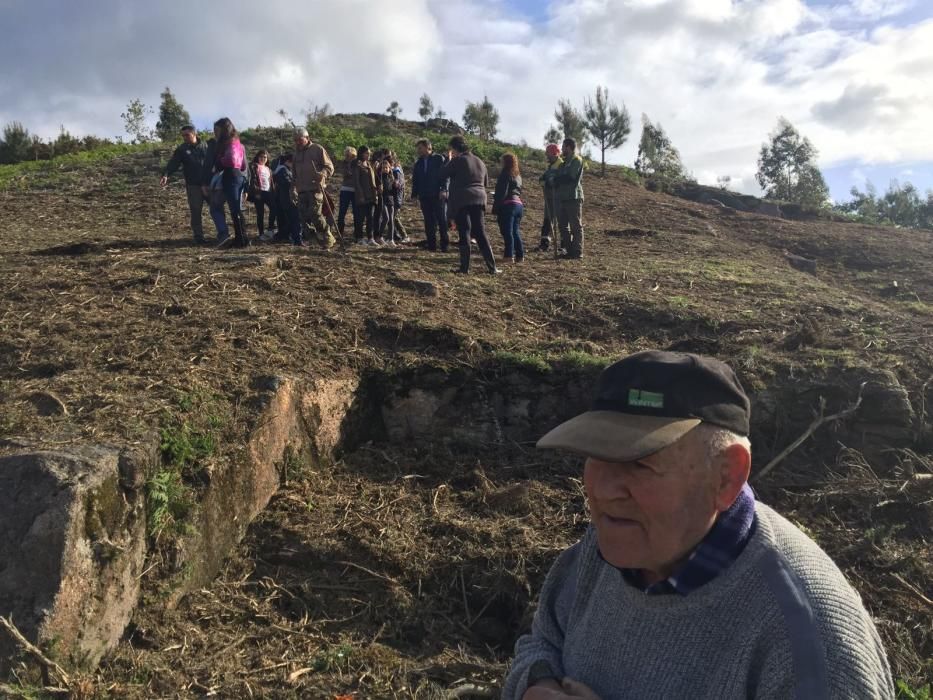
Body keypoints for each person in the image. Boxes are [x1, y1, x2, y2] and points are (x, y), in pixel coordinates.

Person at [503, 350, 895, 700]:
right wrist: (537, 684)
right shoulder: (609, 544)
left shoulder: (808, 644)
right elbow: (543, 641)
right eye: (596, 455)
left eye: (640, 462)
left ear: (726, 476)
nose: (602, 491)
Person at [439, 136, 498, 274]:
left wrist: (448, 160)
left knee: (464, 231)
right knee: (480, 232)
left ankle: (464, 268)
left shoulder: (458, 160)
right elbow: (486, 183)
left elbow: (442, 174)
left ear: (454, 148)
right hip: (479, 198)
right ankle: (492, 267)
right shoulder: (480, 161)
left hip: (463, 199)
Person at [202, 117, 248, 249]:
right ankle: (241, 238)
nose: (215, 132)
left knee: (234, 209)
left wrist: (218, 164)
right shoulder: (238, 143)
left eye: (216, 130)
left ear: (224, 129)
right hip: (238, 175)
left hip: (230, 175)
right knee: (235, 209)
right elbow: (243, 165)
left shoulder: (229, 143)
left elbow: (231, 160)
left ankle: (241, 239)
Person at [160, 125, 208, 244]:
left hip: (208, 184)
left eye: (187, 135)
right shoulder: (182, 150)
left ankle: (222, 234)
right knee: (196, 211)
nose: (185, 138)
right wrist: (166, 174)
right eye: (183, 136)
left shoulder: (206, 146)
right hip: (193, 185)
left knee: (216, 208)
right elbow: (174, 163)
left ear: (194, 134)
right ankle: (199, 237)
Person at [292, 127, 335, 249]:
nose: (298, 142)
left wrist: (322, 174)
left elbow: (329, 167)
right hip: (301, 190)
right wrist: (293, 188)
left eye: (300, 140)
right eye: (295, 140)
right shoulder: (295, 155)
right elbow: (294, 174)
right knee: (303, 217)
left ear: (307, 138)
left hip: (315, 188)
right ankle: (315, 240)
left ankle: (328, 238)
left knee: (315, 214)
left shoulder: (317, 149)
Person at [411, 138, 450, 252]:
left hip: (438, 194)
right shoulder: (418, 163)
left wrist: (444, 189)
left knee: (442, 220)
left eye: (420, 148)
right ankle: (431, 245)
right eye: (417, 148)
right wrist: (414, 195)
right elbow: (416, 180)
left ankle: (444, 245)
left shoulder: (438, 159)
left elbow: (445, 175)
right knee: (428, 221)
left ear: (428, 147)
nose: (418, 150)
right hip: (424, 195)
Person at [552, 138, 585, 259]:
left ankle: (577, 252)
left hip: (573, 196)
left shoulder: (576, 160)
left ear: (569, 147)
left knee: (576, 226)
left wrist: (557, 179)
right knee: (563, 226)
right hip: (563, 197)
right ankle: (569, 251)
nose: (562, 149)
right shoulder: (563, 163)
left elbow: (570, 177)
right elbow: (557, 175)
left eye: (563, 147)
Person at [493, 152, 525, 263]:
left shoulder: (505, 173)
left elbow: (502, 192)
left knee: (507, 231)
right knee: (515, 231)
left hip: (508, 205)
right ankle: (520, 255)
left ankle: (508, 255)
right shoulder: (518, 176)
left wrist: (496, 207)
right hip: (518, 205)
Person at [538, 143, 563, 252]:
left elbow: (560, 181)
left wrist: (549, 182)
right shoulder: (550, 166)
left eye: (548, 154)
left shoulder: (561, 165)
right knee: (547, 221)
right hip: (549, 197)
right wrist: (543, 180)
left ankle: (563, 246)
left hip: (558, 198)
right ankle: (544, 244)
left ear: (554, 153)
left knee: (562, 223)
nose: (547, 156)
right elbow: (543, 178)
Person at [351, 145, 378, 246]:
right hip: (362, 196)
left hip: (371, 195)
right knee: (360, 218)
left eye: (369, 153)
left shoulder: (369, 164)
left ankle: (370, 238)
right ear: (361, 153)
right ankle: (359, 238)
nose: (369, 155)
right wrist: (361, 195)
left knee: (370, 218)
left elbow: (373, 180)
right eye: (367, 153)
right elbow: (357, 182)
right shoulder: (357, 165)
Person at [248, 150, 277, 242]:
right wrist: (256, 192)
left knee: (274, 208)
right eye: (261, 157)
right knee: (260, 213)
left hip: (268, 192)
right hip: (259, 192)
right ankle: (261, 233)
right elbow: (252, 180)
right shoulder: (254, 166)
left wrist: (273, 191)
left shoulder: (268, 169)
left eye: (265, 157)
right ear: (257, 157)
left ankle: (270, 229)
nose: (263, 159)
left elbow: (271, 181)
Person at [273, 153, 301, 246]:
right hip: (287, 199)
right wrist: (297, 183)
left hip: (288, 198)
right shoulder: (282, 171)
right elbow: (286, 184)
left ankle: (286, 236)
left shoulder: (286, 170)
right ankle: (295, 239)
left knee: (290, 220)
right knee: (293, 219)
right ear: (288, 161)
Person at [378, 156, 404, 246]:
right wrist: (379, 190)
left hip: (390, 201)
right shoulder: (379, 178)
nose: (385, 169)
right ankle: (379, 236)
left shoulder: (391, 178)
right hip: (383, 200)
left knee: (391, 220)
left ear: (390, 168)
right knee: (386, 218)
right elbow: (378, 190)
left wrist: (396, 186)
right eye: (384, 168)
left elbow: (394, 192)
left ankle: (390, 239)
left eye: (387, 167)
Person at [337, 146, 357, 237]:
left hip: (355, 190)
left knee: (356, 212)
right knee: (342, 211)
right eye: (347, 155)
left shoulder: (357, 164)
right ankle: (340, 232)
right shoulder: (344, 163)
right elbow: (346, 174)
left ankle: (357, 232)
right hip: (346, 189)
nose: (349, 157)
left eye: (351, 156)